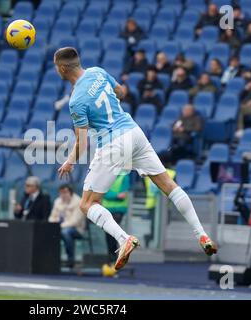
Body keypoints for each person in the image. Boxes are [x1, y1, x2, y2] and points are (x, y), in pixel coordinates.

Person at [53, 47, 217, 271]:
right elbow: (121, 92)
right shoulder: (98, 72)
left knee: (87, 204)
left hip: (113, 144)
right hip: (134, 132)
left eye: (56, 67)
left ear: (62, 68)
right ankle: (202, 234)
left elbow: (82, 142)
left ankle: (123, 239)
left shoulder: (76, 101)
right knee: (169, 185)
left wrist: (70, 160)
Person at [48, 184, 85, 269]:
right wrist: (53, 224)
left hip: (77, 229)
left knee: (65, 232)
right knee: (47, 230)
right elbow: (52, 217)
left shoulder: (78, 202)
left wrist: (59, 226)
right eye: (61, 193)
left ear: (70, 193)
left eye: (65, 192)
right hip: (59, 227)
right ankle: (50, 259)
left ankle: (70, 259)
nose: (63, 195)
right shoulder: (57, 201)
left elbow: (75, 222)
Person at [101, 174, 130, 265]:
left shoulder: (124, 177)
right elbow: (103, 193)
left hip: (118, 210)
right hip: (106, 209)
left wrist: (109, 194)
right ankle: (112, 256)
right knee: (108, 233)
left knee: (112, 232)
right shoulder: (105, 176)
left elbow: (122, 195)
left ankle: (113, 257)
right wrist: (116, 195)